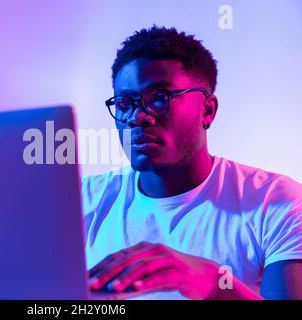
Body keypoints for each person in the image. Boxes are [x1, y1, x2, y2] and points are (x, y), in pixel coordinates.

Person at [84, 25, 302, 300]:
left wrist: (213, 283)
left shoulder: (276, 201)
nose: (138, 117)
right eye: (125, 104)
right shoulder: (83, 202)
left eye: (159, 99)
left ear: (207, 110)